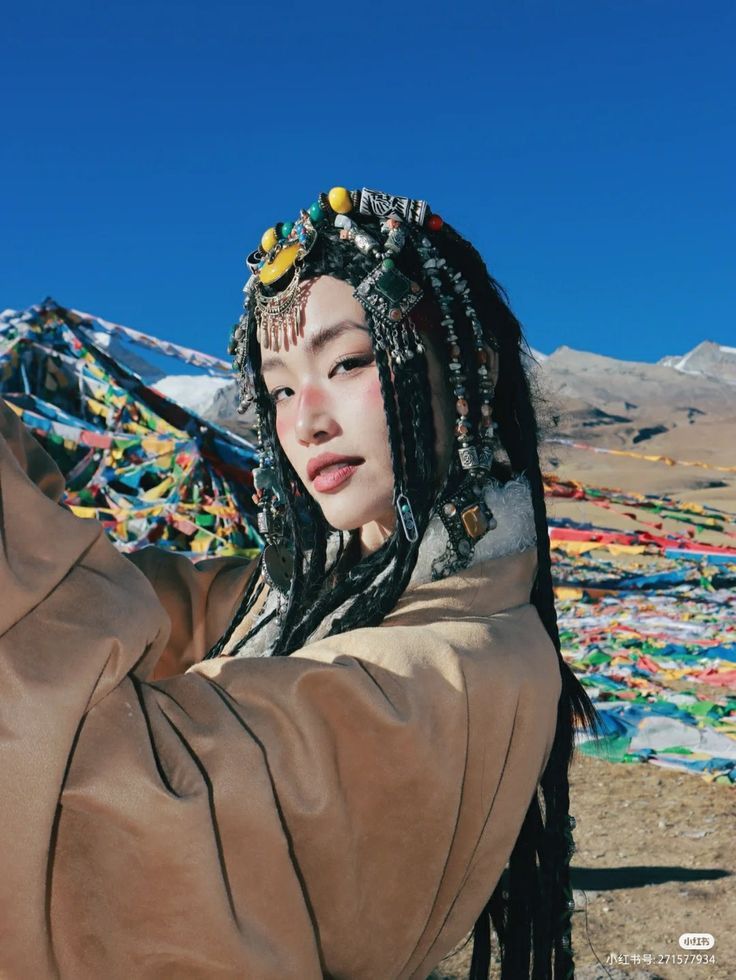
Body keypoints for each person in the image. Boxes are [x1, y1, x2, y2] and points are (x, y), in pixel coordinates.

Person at [0, 186, 593, 979]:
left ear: (471, 372)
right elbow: (139, 601)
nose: (305, 420)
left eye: (347, 362)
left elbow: (122, 791)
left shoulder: (461, 669)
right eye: (280, 388)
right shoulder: (313, 594)